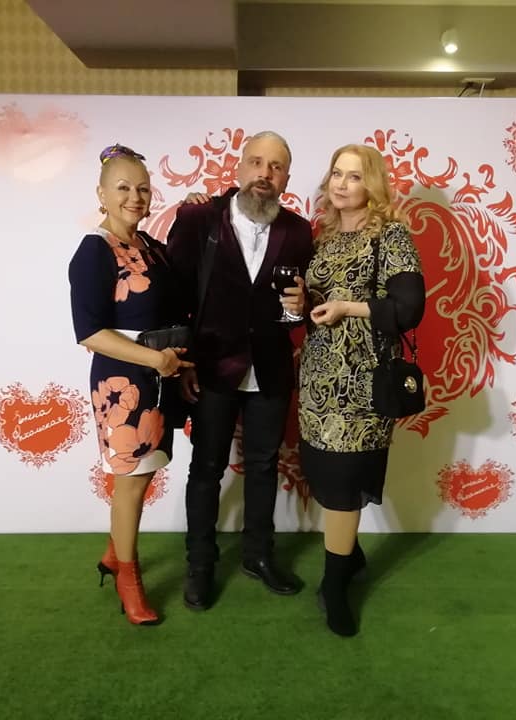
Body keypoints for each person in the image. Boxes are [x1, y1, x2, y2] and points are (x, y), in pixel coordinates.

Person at [166, 131, 314, 611]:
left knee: (263, 466)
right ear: (239, 167)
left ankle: (258, 555)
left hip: (271, 369)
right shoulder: (198, 218)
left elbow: (296, 311)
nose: (264, 174)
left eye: (276, 167)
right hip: (209, 368)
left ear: (286, 178)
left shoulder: (299, 231)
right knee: (206, 468)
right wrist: (183, 361)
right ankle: (200, 564)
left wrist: (301, 306)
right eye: (256, 162)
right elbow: (176, 296)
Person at [298, 144, 425, 637]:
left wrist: (348, 307)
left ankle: (333, 586)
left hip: (363, 381)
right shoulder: (324, 237)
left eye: (354, 176)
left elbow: (409, 308)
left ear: (371, 185)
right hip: (317, 379)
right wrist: (302, 301)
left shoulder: (390, 234)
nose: (341, 183)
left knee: (344, 483)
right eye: (336, 173)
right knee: (324, 473)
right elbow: (317, 303)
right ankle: (349, 558)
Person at [68, 143, 193, 626]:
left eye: (142, 188)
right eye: (122, 188)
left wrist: (178, 364)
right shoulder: (93, 251)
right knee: (132, 481)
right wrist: (154, 359)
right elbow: (90, 333)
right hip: (124, 382)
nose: (134, 197)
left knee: (145, 472)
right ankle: (128, 579)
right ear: (101, 194)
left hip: (163, 375)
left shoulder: (153, 248)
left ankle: (111, 552)